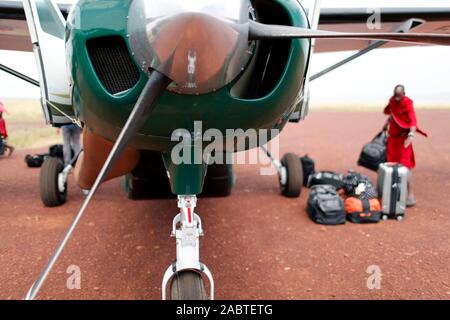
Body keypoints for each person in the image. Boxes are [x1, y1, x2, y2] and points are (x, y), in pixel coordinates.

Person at [383, 85, 427, 207]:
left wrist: (411, 136)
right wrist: (386, 124)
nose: (397, 99)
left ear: (404, 94)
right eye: (395, 95)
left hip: (404, 140)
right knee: (390, 165)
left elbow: (413, 121)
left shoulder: (407, 103)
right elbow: (392, 114)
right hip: (393, 139)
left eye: (399, 96)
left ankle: (410, 196)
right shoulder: (392, 100)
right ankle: (390, 193)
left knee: (405, 166)